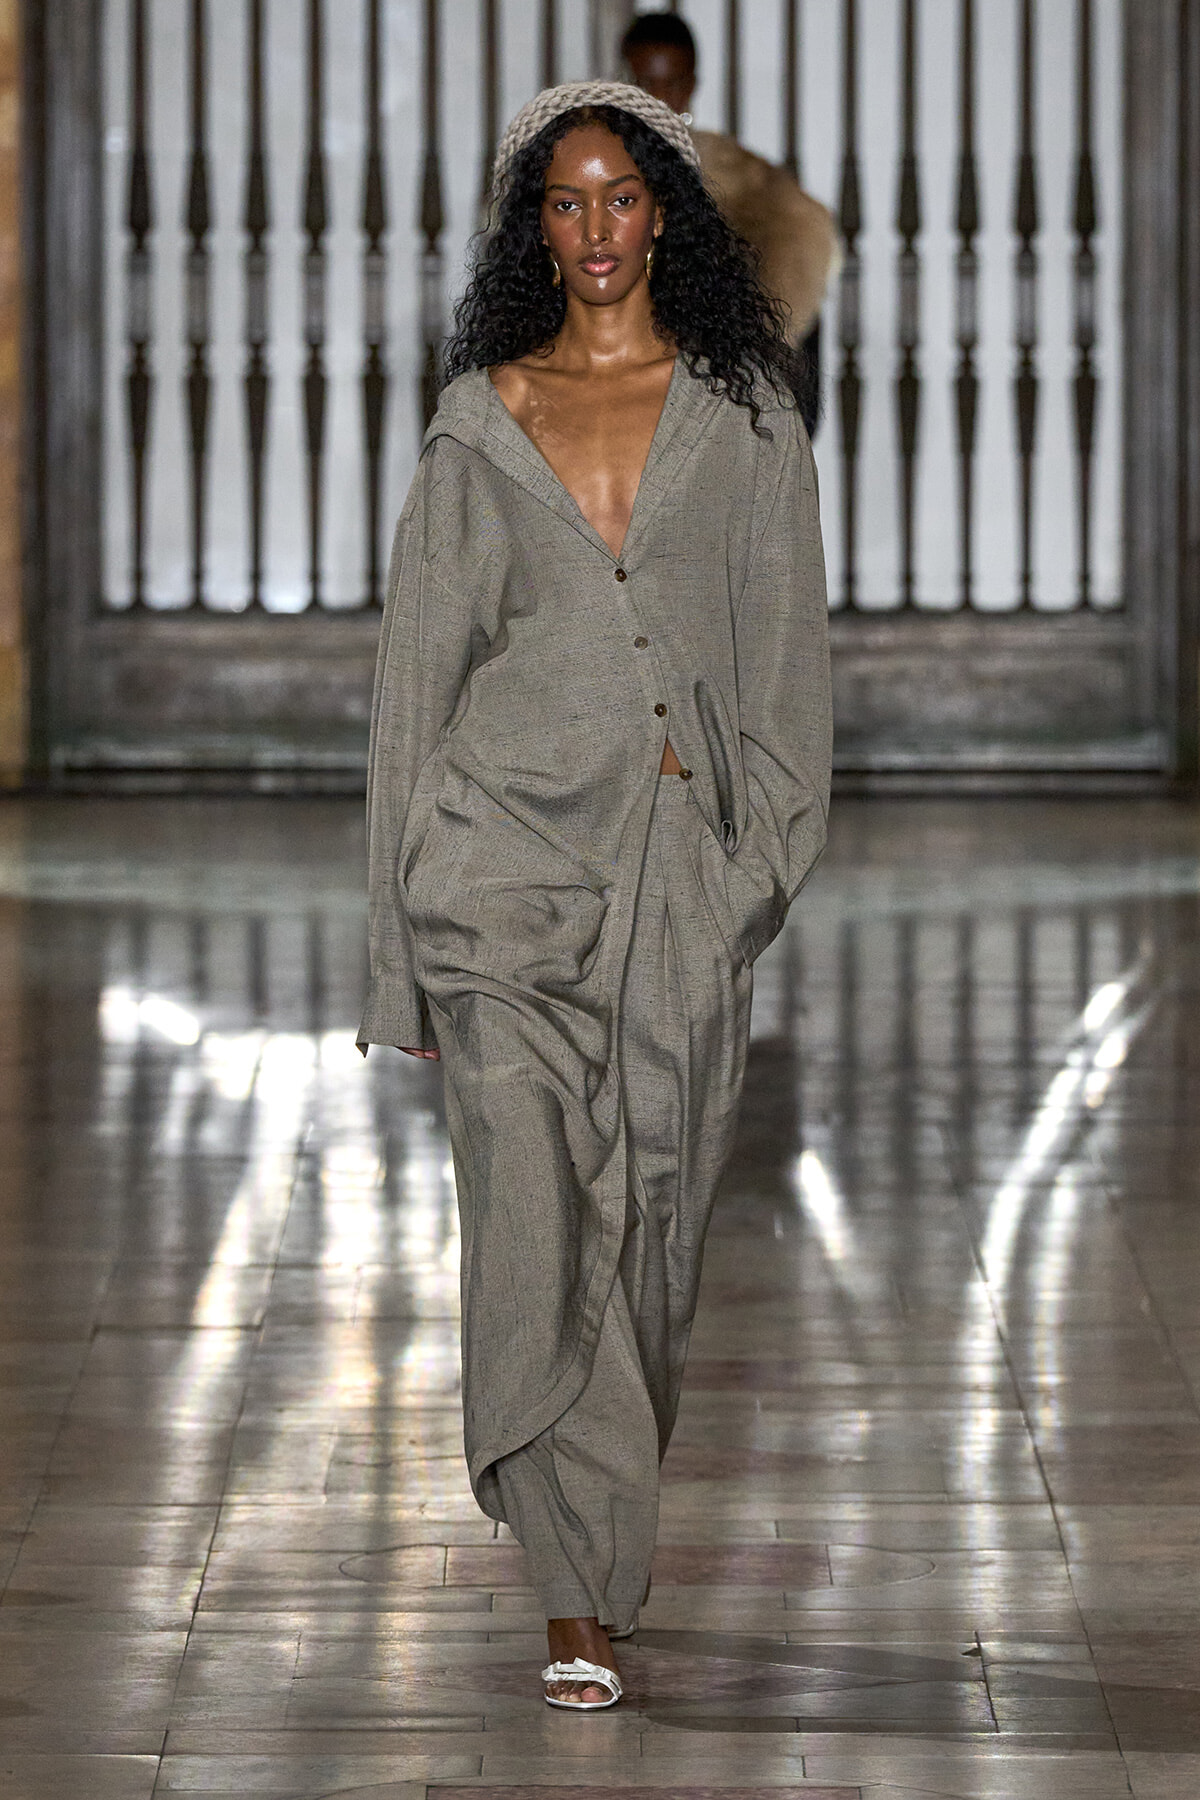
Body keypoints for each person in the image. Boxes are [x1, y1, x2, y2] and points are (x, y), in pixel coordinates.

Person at [359, 80, 831, 1711]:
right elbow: (411, 699)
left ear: (667, 215)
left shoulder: (747, 423)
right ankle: (573, 1596)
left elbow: (789, 675)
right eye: (563, 204)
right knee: (530, 1216)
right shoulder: (481, 425)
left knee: (650, 1242)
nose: (596, 231)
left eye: (622, 198)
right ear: (532, 229)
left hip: (679, 890)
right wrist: (393, 965)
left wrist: (754, 866)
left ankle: (603, 1548)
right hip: (491, 879)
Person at [622, 10, 840, 437]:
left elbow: (795, 369)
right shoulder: (582, 171)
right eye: (644, 83)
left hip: (721, 428)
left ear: (692, 86)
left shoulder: (756, 191)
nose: (658, 98)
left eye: (673, 83)